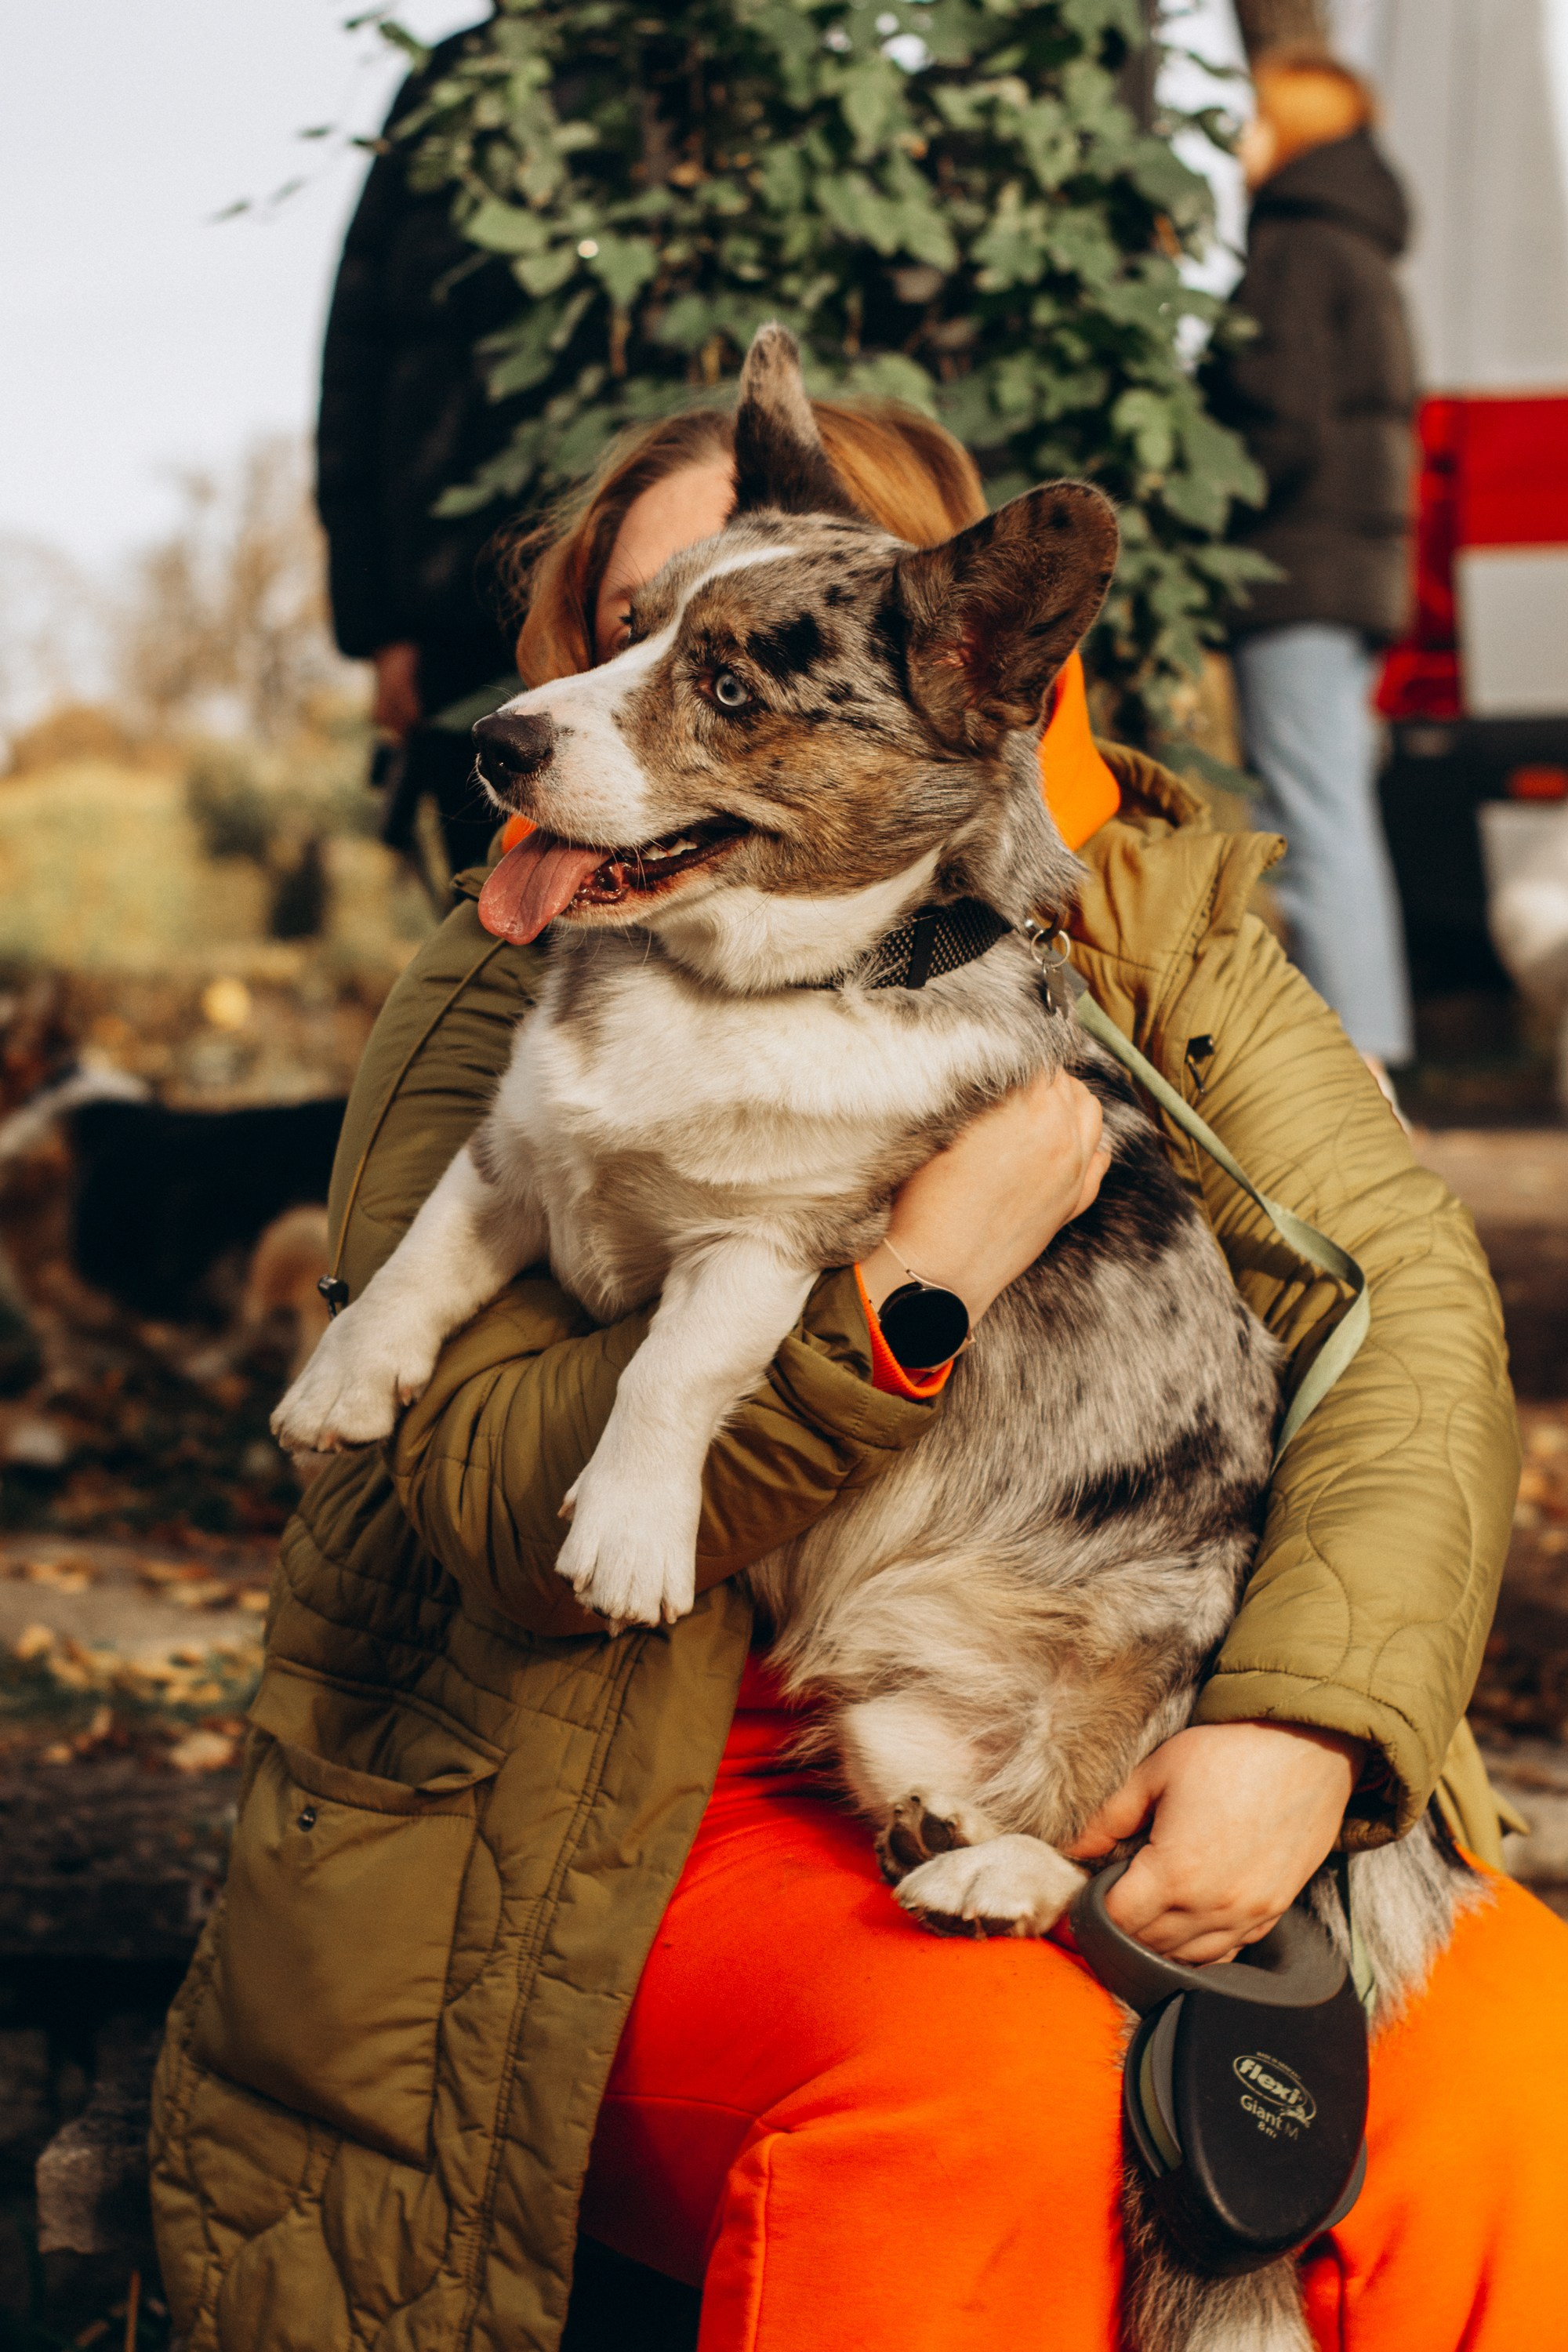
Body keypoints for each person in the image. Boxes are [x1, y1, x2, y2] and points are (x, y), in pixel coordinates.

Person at [151, 398, 1567, 2352]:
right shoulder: (501, 967)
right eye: (630, 627)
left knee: (1512, 2083)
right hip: (608, 1780)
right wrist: (903, 1292)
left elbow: (1410, 1324)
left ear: (957, 667)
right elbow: (469, 1491)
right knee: (985, 2104)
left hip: (1090, 1694)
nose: (619, 694)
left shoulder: (1160, 932)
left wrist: (1306, 1726)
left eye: (731, 656)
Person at [1203, 48, 1417, 1088]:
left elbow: (1277, 422)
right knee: (1334, 806)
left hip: (1298, 565)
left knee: (1310, 817)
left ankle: (1359, 1066)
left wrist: (1202, 508)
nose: (1241, 140)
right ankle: (1371, 1050)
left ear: (1287, 129)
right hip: (1352, 567)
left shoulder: (1293, 246)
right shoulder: (1359, 244)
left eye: (1254, 119)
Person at [316, 13, 524, 877]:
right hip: (452, 615)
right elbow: (355, 364)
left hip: (641, 600)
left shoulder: (689, 53)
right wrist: (381, 628)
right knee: (487, 914)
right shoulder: (450, 81)